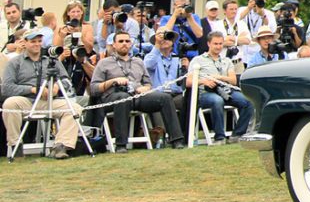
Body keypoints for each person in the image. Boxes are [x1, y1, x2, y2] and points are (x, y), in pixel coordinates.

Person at [91, 31, 186, 152]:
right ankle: (121, 144)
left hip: (137, 96)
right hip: (113, 97)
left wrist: (145, 88)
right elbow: (94, 88)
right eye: (121, 41)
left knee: (164, 98)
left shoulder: (138, 62)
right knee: (122, 97)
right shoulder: (104, 63)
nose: (124, 44)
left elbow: (148, 84)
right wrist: (112, 81)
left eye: (127, 41)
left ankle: (176, 139)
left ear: (131, 43)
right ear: (114, 45)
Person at [2, 27, 82, 158]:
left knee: (75, 108)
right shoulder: (15, 62)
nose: (37, 44)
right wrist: (31, 89)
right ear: (25, 42)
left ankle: (61, 146)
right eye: (33, 41)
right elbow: (6, 87)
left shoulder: (51, 60)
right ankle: (15, 145)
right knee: (10, 104)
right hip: (27, 100)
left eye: (39, 41)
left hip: (50, 101)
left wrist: (57, 86)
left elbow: (66, 80)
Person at [187, 32, 251, 143]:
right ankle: (219, 137)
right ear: (208, 44)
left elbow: (233, 81)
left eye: (220, 44)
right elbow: (188, 82)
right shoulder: (198, 60)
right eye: (215, 44)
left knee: (247, 101)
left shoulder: (227, 61)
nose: (218, 46)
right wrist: (204, 82)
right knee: (217, 101)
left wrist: (219, 78)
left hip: (226, 90)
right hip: (206, 93)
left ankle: (237, 135)